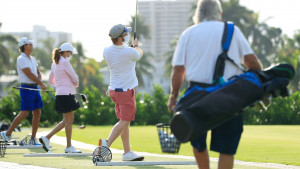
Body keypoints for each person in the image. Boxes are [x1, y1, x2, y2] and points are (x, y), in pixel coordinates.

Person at [167, 0, 262, 169]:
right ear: (219, 14)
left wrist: (173, 96)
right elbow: (253, 63)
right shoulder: (233, 31)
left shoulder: (188, 34)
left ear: (198, 15)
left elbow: (178, 70)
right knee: (226, 149)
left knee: (197, 142)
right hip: (230, 96)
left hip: (197, 95)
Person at [99, 24, 144, 161]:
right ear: (120, 38)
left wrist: (130, 47)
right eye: (125, 34)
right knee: (125, 120)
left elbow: (124, 53)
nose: (127, 36)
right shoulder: (130, 51)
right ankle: (106, 144)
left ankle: (127, 152)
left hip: (114, 91)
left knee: (124, 122)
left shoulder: (106, 50)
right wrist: (135, 45)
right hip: (125, 92)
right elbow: (139, 54)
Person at [1, 37, 47, 145]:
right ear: (25, 46)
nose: (32, 46)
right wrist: (40, 83)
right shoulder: (20, 59)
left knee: (37, 112)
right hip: (26, 88)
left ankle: (32, 139)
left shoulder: (33, 59)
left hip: (35, 88)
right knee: (24, 113)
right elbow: (28, 73)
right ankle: (7, 133)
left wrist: (39, 81)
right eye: (30, 44)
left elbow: (37, 72)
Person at [39, 43, 81, 153]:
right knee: (69, 120)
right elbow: (74, 77)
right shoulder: (65, 62)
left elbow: (51, 80)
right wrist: (74, 84)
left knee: (66, 121)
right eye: (70, 53)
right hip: (67, 94)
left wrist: (60, 85)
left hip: (60, 94)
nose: (70, 55)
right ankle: (68, 147)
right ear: (66, 52)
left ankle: (46, 138)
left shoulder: (55, 63)